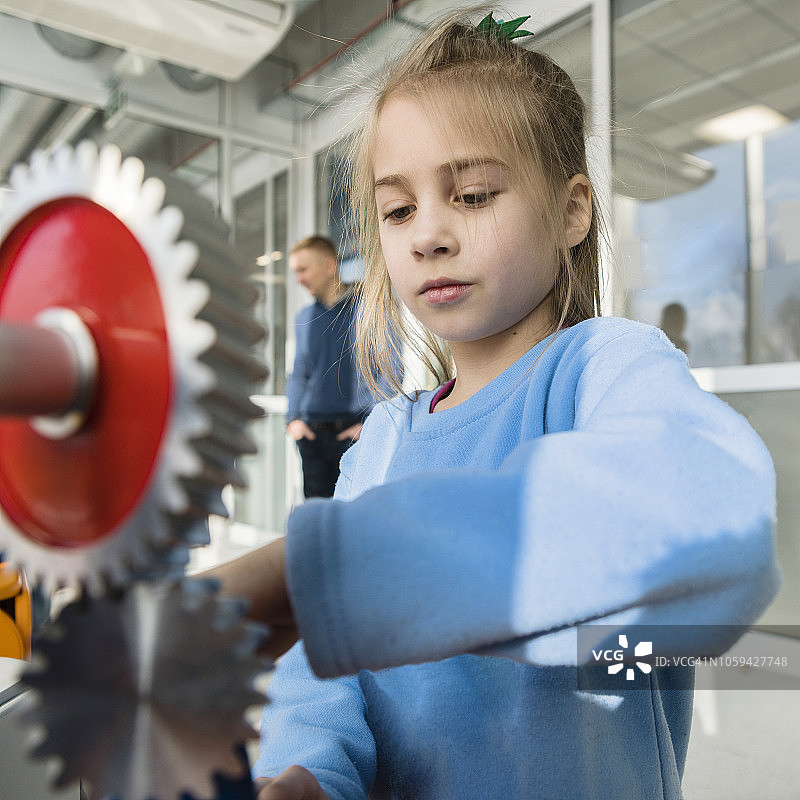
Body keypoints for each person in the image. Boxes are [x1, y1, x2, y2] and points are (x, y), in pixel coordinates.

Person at [213, 10, 780, 800]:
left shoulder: (602, 370)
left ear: (572, 211)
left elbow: (718, 526)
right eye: (398, 210)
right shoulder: (380, 441)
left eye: (472, 194)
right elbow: (320, 664)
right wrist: (308, 769)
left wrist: (348, 567)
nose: (428, 235)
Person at [285, 235, 370, 498]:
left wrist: (370, 423)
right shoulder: (305, 317)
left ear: (329, 265)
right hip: (312, 436)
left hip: (355, 434)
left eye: (303, 269)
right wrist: (294, 420)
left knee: (354, 520)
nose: (298, 279)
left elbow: (389, 368)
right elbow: (299, 372)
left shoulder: (366, 310)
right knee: (317, 519)